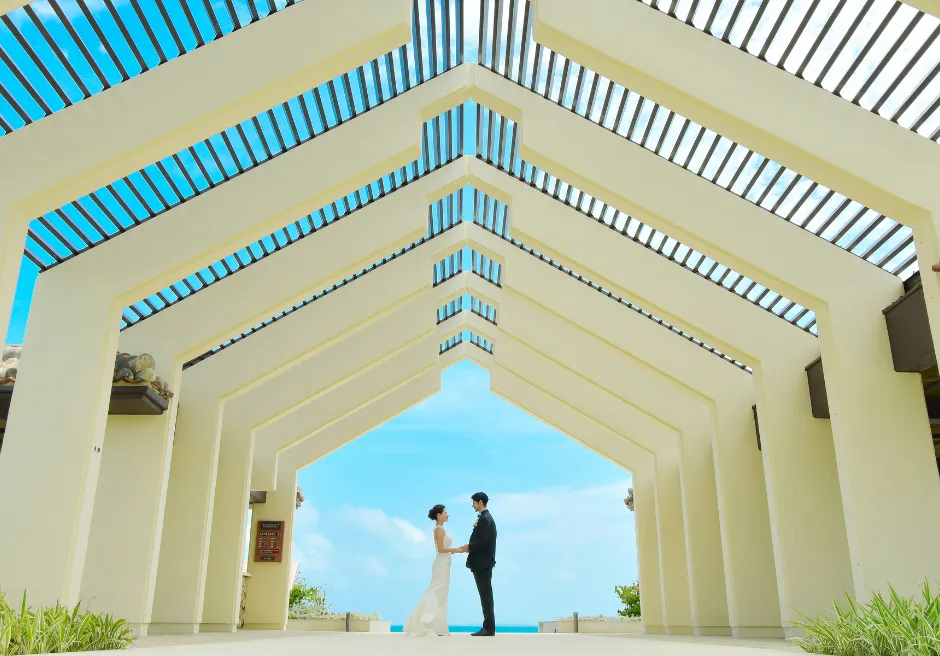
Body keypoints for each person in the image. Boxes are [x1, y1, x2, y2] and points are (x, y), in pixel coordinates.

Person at [403, 504, 463, 636]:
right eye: (445, 512)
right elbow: (441, 549)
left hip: (445, 563)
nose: (447, 515)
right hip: (441, 564)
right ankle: (425, 622)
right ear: (439, 515)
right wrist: (458, 550)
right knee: (436, 591)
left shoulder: (441, 529)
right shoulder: (439, 529)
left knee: (441, 593)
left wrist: (457, 550)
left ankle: (438, 626)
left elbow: (444, 549)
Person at [459, 492, 497, 636]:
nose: (472, 505)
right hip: (482, 563)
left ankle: (488, 628)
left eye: (473, 502)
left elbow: (484, 541)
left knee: (485, 595)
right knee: (485, 595)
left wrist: (469, 546)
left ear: (480, 502)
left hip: (482, 563)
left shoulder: (485, 519)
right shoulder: (484, 518)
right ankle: (488, 627)